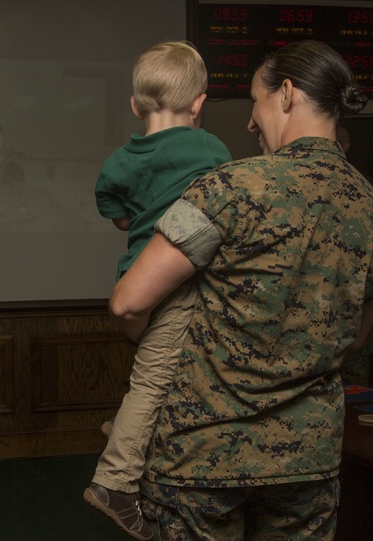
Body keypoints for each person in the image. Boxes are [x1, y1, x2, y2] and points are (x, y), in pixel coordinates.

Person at [108, 40, 373, 539]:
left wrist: (150, 345)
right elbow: (357, 337)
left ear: (286, 94)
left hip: (200, 457)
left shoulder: (230, 187)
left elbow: (129, 300)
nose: (250, 121)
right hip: (307, 460)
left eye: (255, 101)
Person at [84, 41, 232, 540]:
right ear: (198, 102)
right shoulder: (211, 149)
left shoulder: (119, 162)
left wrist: (140, 220)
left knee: (154, 370)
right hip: (181, 282)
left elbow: (113, 206)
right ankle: (114, 480)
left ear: (135, 104)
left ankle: (128, 433)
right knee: (154, 379)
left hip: (135, 275)